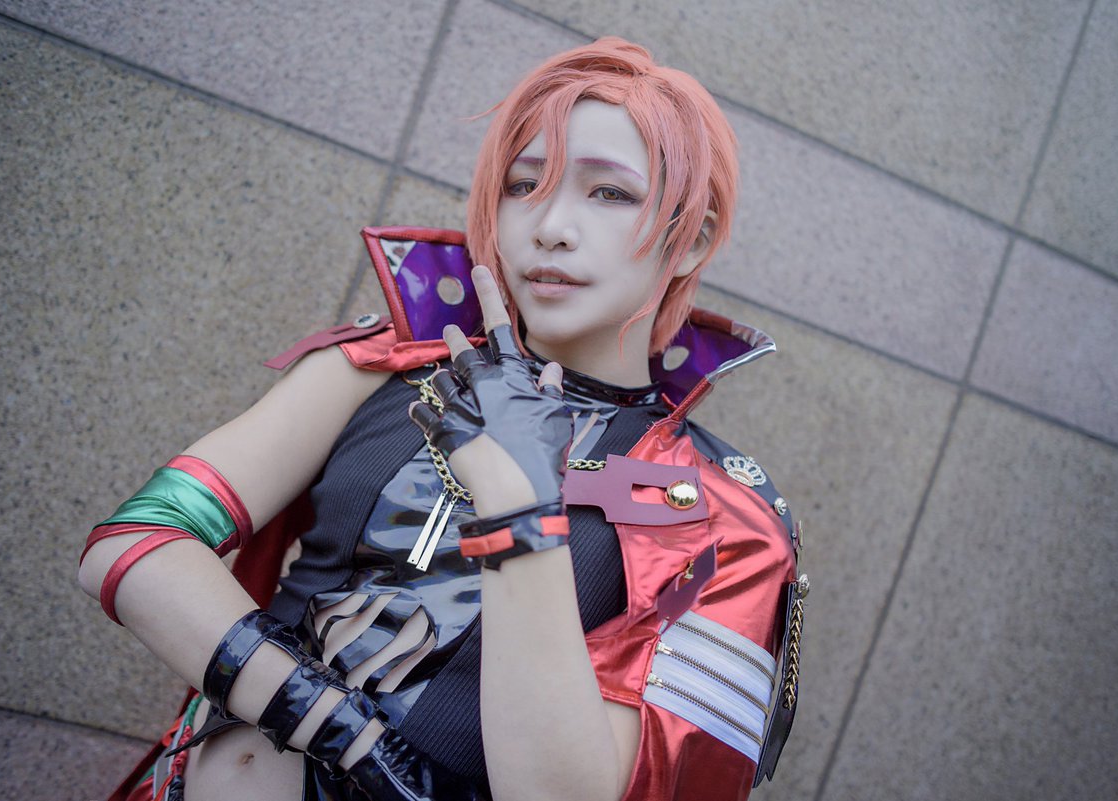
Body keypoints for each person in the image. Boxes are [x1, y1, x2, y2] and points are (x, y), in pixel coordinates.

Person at [78, 37, 804, 801]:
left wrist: (523, 511)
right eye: (524, 184)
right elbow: (134, 541)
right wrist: (354, 739)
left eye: (609, 193)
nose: (551, 225)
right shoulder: (379, 365)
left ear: (691, 238)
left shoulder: (726, 517)